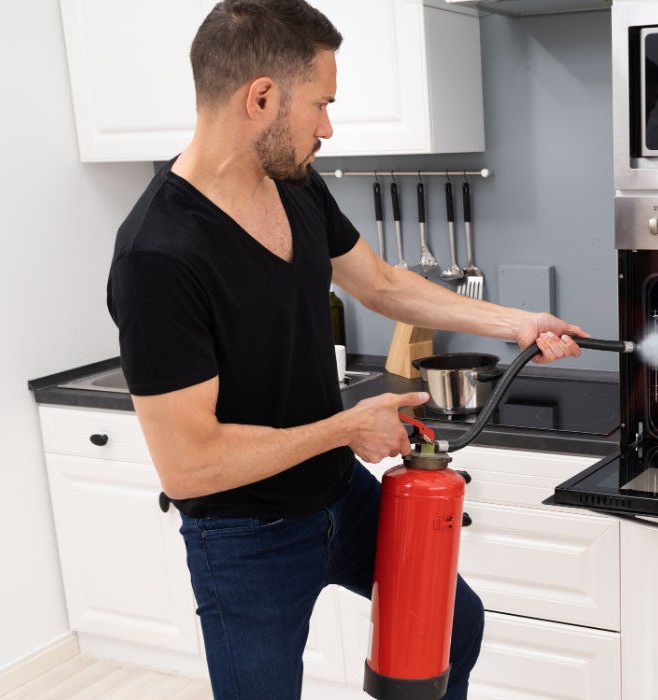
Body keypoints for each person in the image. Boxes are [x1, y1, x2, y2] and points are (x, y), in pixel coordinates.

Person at [105, 1, 587, 698]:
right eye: (321, 105)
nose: (327, 128)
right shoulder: (158, 255)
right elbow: (188, 465)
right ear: (260, 98)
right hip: (245, 536)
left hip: (339, 496)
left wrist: (515, 322)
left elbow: (381, 283)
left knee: (455, 625)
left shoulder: (294, 184)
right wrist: (345, 428)